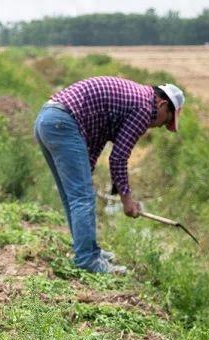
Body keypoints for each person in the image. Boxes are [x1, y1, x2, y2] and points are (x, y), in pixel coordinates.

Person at [34, 77, 185, 274]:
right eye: (166, 120)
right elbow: (118, 158)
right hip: (62, 123)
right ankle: (87, 260)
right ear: (163, 104)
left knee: (75, 195)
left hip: (47, 120)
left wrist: (87, 172)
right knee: (83, 197)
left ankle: (88, 251)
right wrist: (127, 200)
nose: (160, 126)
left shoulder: (135, 98)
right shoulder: (144, 108)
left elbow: (97, 135)